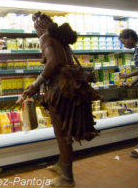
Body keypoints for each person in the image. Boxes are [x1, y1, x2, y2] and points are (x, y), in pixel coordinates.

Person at [17, 12, 101, 187]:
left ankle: (67, 178)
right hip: (72, 89)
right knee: (64, 130)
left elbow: (53, 63)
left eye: (35, 28)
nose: (36, 32)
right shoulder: (61, 39)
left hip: (60, 90)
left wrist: (35, 84)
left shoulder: (45, 37)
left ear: (39, 27)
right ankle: (62, 164)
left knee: (62, 134)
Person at [119, 29, 138, 158]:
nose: (124, 45)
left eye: (124, 42)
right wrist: (131, 83)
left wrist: (127, 74)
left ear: (130, 37)